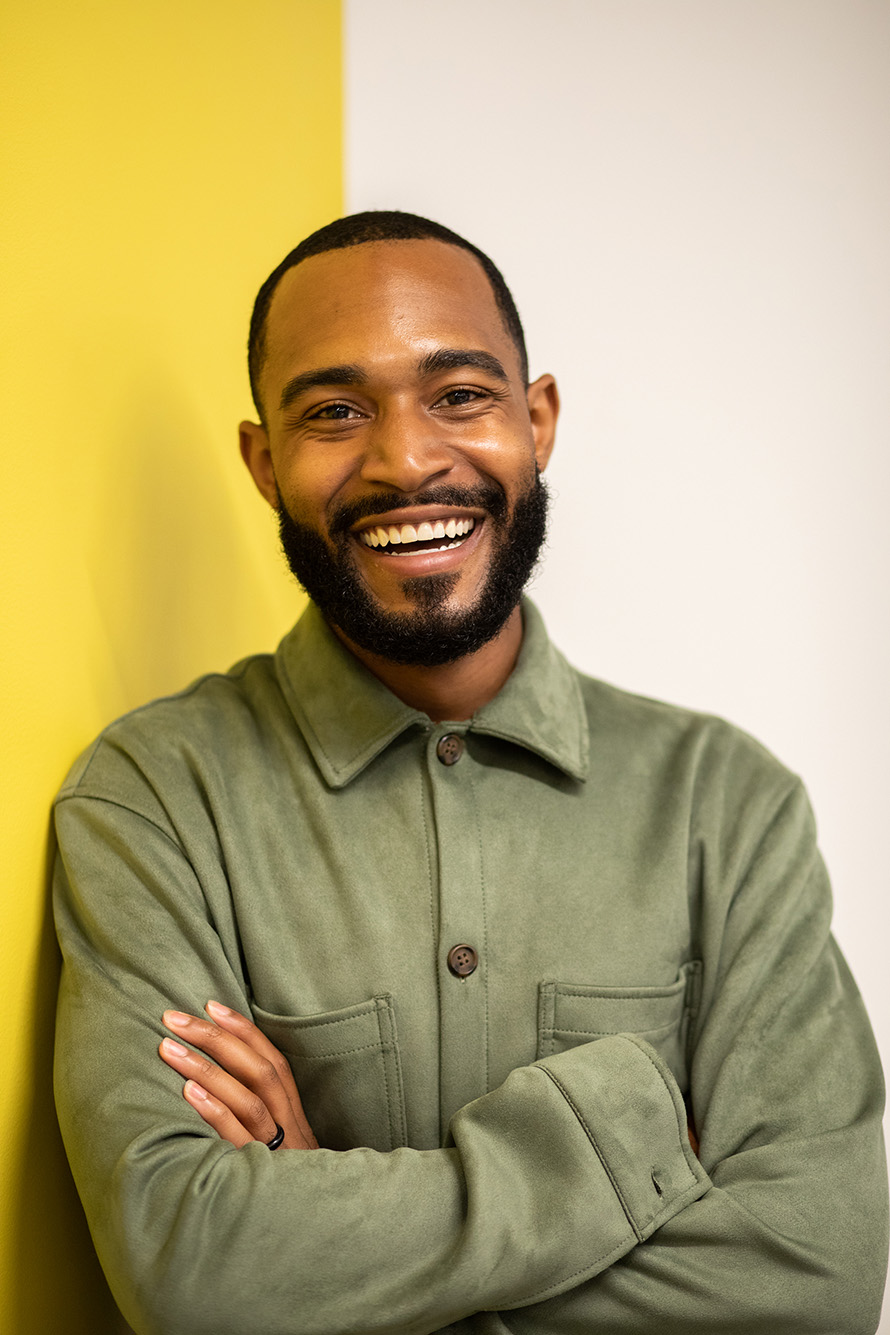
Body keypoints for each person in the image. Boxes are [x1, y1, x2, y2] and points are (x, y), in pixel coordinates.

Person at [53, 211, 888, 1335]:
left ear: (535, 421)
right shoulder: (153, 798)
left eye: (458, 395)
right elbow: (190, 1270)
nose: (404, 461)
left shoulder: (727, 809)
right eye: (335, 411)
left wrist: (326, 1251)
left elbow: (811, 1273)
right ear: (262, 464)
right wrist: (628, 1153)